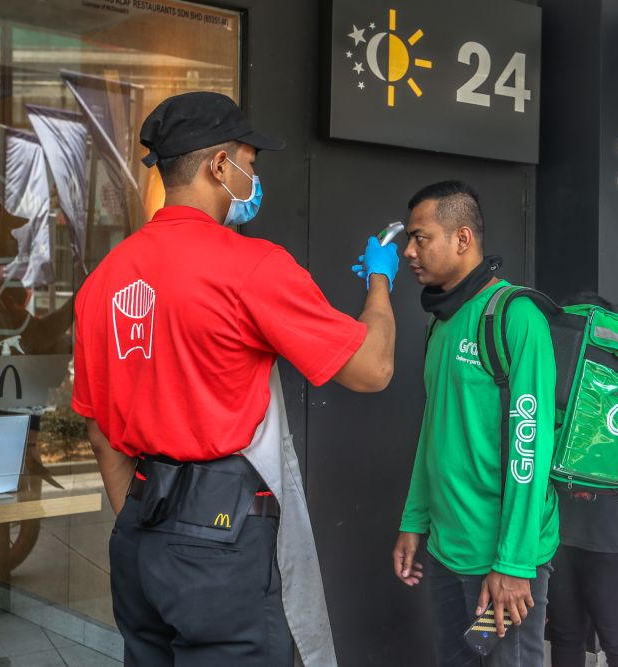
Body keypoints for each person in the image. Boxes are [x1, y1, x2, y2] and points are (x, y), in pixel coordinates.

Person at [71, 91, 399, 667]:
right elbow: (373, 369)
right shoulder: (251, 266)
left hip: (139, 531)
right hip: (223, 537)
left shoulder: (103, 280)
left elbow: (100, 434)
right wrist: (378, 283)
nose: (253, 176)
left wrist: (147, 525)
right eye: (250, 162)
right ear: (219, 166)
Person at [385, 180, 558, 667]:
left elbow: (531, 449)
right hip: (445, 552)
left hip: (499, 561)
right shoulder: (442, 322)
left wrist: (514, 563)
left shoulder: (516, 317)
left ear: (462, 239)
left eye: (420, 238)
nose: (408, 252)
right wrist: (414, 520)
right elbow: (434, 432)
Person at [546, 292, 618, 667]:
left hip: (612, 541)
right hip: (559, 536)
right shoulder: (555, 385)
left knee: (616, 639)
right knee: (565, 636)